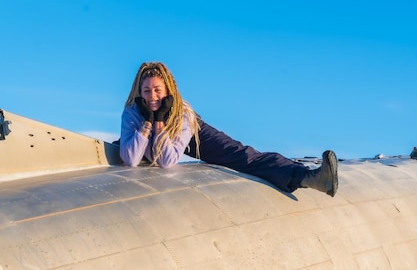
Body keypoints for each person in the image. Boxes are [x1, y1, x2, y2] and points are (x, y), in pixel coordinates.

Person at [119, 62, 338, 196]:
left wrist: (159, 123)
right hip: (150, 133)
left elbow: (167, 161)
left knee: (243, 157)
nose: (152, 96)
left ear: (168, 90)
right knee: (116, 149)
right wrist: (148, 122)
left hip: (189, 132)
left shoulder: (182, 113)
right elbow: (130, 158)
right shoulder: (132, 111)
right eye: (146, 91)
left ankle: (309, 178)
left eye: (158, 90)